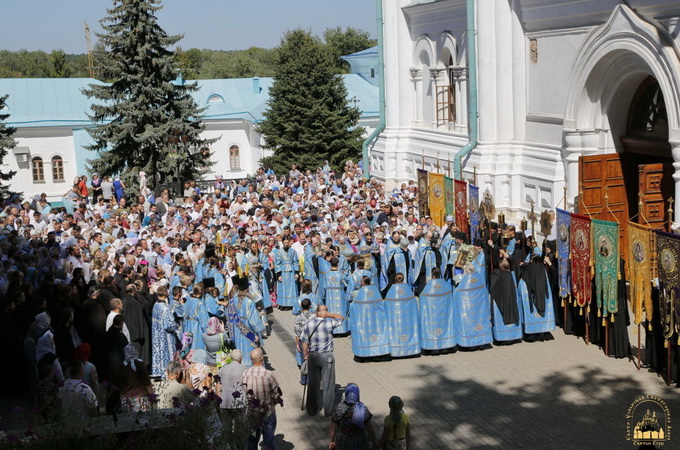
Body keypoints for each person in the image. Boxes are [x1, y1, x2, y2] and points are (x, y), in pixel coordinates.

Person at [300, 305, 345, 417]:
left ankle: (311, 410)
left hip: (313, 356)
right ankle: (329, 411)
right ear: (324, 313)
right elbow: (341, 318)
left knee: (313, 384)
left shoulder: (309, 324)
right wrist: (329, 315)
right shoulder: (329, 323)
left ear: (316, 312)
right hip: (327, 357)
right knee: (328, 385)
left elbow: (304, 341)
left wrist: (305, 355)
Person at [240, 348, 283, 450]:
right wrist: (274, 402)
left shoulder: (245, 374)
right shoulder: (268, 374)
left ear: (251, 359)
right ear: (262, 359)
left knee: (252, 439)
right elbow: (277, 392)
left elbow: (243, 391)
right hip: (267, 411)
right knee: (268, 439)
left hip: (252, 412)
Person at [452, 263, 493, 350]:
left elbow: (457, 294)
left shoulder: (464, 283)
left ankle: (470, 344)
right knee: (480, 323)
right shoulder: (479, 279)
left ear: (466, 270)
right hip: (480, 309)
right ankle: (482, 342)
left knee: (470, 324)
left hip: (469, 310)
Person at [349, 278, 391, 359]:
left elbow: (354, 306)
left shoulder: (358, 293)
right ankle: (380, 352)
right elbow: (381, 305)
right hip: (376, 320)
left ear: (363, 283)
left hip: (364, 320)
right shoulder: (376, 292)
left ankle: (365, 353)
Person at [418, 267, 456, 353]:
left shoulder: (429, 286)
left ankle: (434, 348)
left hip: (433, 313)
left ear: (433, 275)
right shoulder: (445, 285)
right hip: (444, 313)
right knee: (445, 327)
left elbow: (422, 297)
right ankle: (446, 346)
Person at [329, 383, 376, 450]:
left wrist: (331, 441)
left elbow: (332, 427)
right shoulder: (362, 409)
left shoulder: (339, 408)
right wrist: (374, 443)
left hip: (342, 443)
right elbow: (370, 429)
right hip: (359, 444)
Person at [383, 273, 421, 357]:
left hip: (395, 321)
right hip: (407, 321)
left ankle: (395, 351)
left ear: (395, 279)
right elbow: (414, 305)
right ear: (403, 279)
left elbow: (386, 305)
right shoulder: (408, 291)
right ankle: (410, 350)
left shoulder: (391, 292)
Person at [218, 349, 248, 450]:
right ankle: (240, 447)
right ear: (240, 359)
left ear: (230, 358)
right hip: (239, 403)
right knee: (240, 428)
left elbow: (218, 382)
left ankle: (229, 446)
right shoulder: (244, 368)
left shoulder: (223, 368)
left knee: (227, 428)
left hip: (225, 402)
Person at [489, 259, 522, 343]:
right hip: (512, 302)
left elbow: (494, 290)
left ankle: (503, 338)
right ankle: (514, 336)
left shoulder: (497, 276)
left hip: (502, 303)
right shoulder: (512, 275)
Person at [151, 286, 180, 378]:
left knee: (159, 352)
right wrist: (176, 326)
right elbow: (168, 326)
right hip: (165, 336)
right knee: (167, 353)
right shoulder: (165, 309)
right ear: (166, 293)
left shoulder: (156, 304)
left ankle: (159, 371)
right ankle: (168, 374)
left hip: (157, 333)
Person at [116, 344, 153, 413]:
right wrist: (151, 395)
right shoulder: (139, 363)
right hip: (140, 399)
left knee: (129, 421)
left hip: (126, 399)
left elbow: (119, 383)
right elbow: (147, 383)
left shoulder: (122, 365)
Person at [322, 257, 349, 335]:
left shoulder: (326, 275)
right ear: (338, 264)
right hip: (340, 295)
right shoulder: (341, 275)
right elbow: (346, 283)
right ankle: (341, 330)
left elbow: (323, 286)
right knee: (341, 310)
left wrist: (323, 296)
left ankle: (332, 330)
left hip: (330, 296)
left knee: (331, 311)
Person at [294, 298, 316, 384]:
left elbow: (296, 332)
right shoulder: (314, 316)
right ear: (310, 306)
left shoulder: (298, 317)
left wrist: (297, 344)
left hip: (302, 341)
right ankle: (314, 380)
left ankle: (304, 380)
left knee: (304, 360)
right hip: (313, 340)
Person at [274, 236, 300, 309]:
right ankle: (283, 304)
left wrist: (296, 273)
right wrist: (278, 274)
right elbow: (277, 263)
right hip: (283, 271)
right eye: (284, 243)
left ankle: (292, 304)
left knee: (292, 288)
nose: (286, 244)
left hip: (291, 272)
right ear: (282, 243)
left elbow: (296, 262)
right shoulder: (279, 252)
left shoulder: (293, 251)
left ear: (289, 243)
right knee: (283, 288)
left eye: (287, 243)